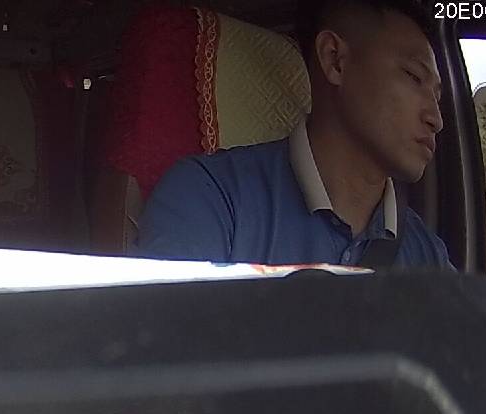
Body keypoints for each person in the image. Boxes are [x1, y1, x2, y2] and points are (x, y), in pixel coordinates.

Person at [135, 0, 454, 269]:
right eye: (414, 76)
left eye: (437, 97)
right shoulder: (211, 199)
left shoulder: (429, 256)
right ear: (335, 60)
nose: (436, 119)